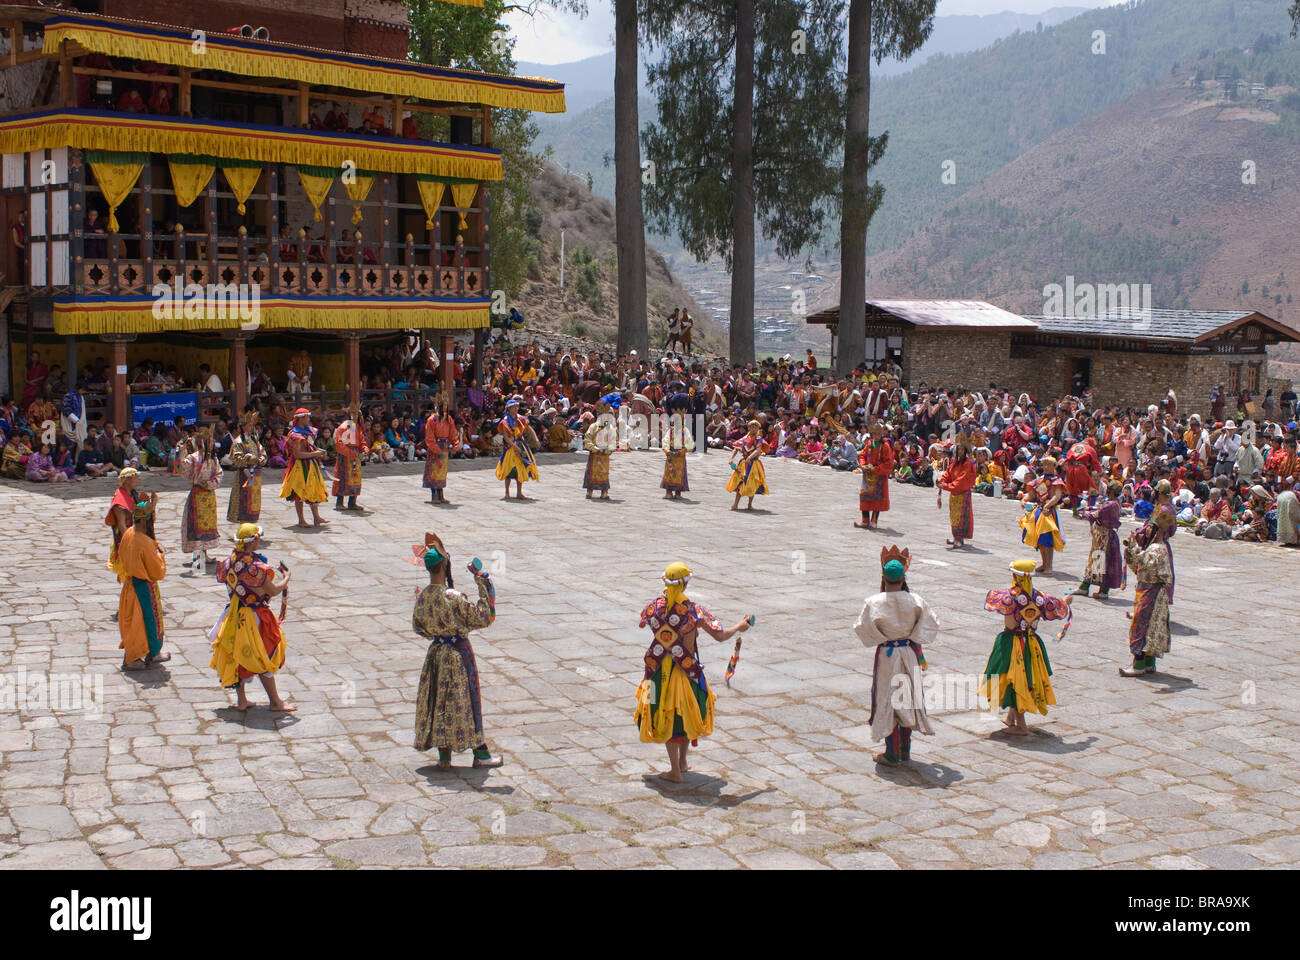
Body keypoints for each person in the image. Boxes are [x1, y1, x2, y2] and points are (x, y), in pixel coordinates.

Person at [633, 562, 751, 783]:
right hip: (687, 672)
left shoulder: (653, 608)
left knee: (664, 713)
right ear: (685, 584)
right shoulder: (694, 611)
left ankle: (679, 766)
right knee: (684, 713)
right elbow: (720, 635)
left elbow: (643, 621)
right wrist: (739, 627)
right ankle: (679, 768)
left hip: (658, 672)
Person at [412, 533, 503, 770]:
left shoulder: (423, 596)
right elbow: (485, 617)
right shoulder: (453, 597)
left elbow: (418, 627)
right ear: (444, 565)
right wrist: (484, 583)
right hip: (459, 654)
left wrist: (438, 634)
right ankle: (480, 754)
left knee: (440, 701)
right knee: (467, 701)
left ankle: (444, 757)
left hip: (436, 654)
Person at [855, 545, 939, 766]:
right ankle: (904, 750)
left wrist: (882, 636)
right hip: (908, 653)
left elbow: (862, 629)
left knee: (888, 699)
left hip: (887, 655)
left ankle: (891, 753)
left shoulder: (873, 602)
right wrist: (912, 635)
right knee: (906, 697)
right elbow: (931, 624)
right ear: (904, 577)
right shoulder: (916, 601)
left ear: (883, 577)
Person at [979, 560, 1072, 735]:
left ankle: (1021, 726)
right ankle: (1010, 718)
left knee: (1015, 679)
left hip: (1012, 642)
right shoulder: (1040, 597)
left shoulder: (1010, 597)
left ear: (1015, 576)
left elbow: (1008, 620)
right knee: (1022, 677)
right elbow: (1060, 604)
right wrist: (1066, 600)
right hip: (1031, 642)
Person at [209, 523, 296, 712]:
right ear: (254, 540)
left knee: (237, 654)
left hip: (233, 613)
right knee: (263, 654)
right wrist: (286, 579)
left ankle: (242, 700)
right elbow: (271, 591)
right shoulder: (255, 568)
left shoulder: (229, 562)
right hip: (254, 616)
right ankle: (275, 702)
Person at [117, 493, 169, 671]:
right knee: (142, 624)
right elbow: (157, 571)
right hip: (143, 589)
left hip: (131, 585)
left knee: (135, 622)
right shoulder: (145, 542)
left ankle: (153, 652)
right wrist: (160, 557)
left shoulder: (129, 534)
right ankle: (133, 658)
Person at [1119, 521, 1173, 677]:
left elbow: (1145, 563)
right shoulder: (1153, 547)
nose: (1147, 529)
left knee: (1141, 626)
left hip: (1151, 591)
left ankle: (1139, 664)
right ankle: (1149, 662)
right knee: (1150, 627)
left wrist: (1134, 547)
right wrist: (1132, 548)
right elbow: (1138, 566)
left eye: (1150, 527)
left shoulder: (1158, 548)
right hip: (1146, 590)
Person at [279, 408, 330, 527]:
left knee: (314, 489)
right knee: (299, 492)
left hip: (311, 465)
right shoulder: (295, 435)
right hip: (300, 467)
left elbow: (311, 447)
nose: (309, 419)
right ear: (301, 418)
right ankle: (301, 520)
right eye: (307, 417)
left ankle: (316, 517)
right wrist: (315, 454)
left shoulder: (309, 432)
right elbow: (298, 454)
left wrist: (320, 451)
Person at [179, 430, 223, 568]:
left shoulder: (213, 458)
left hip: (209, 497)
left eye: (212, 441)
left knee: (207, 526)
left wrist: (211, 483)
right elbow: (184, 467)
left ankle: (205, 554)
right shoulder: (194, 458)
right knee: (196, 527)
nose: (211, 444)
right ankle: (198, 557)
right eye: (209, 441)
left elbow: (219, 473)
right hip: (197, 496)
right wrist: (181, 452)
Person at [1074, 480, 1124, 600]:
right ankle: (1101, 590)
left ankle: (1086, 587)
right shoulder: (1115, 503)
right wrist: (1089, 508)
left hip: (1104, 537)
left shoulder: (1110, 505)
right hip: (1107, 536)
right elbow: (1099, 509)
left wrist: (1083, 512)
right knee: (1104, 562)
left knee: (1098, 560)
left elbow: (1096, 514)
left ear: (1110, 491)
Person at [1018, 456, 1066, 573]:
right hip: (1039, 510)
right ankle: (1044, 563)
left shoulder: (1056, 481)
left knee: (1047, 538)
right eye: (1044, 464)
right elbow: (1031, 494)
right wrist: (1024, 500)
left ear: (1054, 467)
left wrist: (1048, 505)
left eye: (1049, 465)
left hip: (1049, 512)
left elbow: (1057, 496)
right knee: (1040, 539)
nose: (1046, 467)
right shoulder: (1039, 481)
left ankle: (1049, 565)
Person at [495, 396, 539, 500]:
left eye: (516, 407)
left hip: (520, 444)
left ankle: (519, 492)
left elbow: (529, 429)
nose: (516, 409)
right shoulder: (505, 421)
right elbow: (506, 437)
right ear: (509, 408)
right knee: (509, 469)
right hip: (510, 447)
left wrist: (536, 439)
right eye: (514, 407)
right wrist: (514, 447)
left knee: (520, 468)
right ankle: (507, 492)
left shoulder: (521, 419)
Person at [227, 410, 266, 524]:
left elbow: (262, 452)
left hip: (256, 475)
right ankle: (244, 521)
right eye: (249, 425)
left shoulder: (255, 440)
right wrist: (248, 458)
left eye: (252, 425)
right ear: (243, 427)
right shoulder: (238, 441)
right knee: (244, 500)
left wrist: (262, 459)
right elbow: (235, 458)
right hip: (244, 475)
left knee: (254, 499)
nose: (251, 427)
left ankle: (252, 520)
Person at [855, 420, 894, 529]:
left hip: (879, 475)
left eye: (878, 434)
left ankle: (874, 521)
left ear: (881, 434)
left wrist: (875, 469)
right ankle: (865, 520)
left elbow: (888, 463)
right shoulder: (869, 443)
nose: (876, 436)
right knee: (865, 496)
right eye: (874, 434)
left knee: (877, 498)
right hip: (868, 475)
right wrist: (863, 465)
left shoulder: (885, 446)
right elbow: (862, 455)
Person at [937, 442, 976, 548]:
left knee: (962, 517)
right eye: (959, 450)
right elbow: (948, 474)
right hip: (954, 494)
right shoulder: (955, 462)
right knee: (954, 516)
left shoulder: (968, 464)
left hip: (962, 494)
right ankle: (955, 537)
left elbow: (961, 481)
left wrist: (944, 486)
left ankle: (959, 539)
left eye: (962, 450)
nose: (960, 452)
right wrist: (942, 480)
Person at [726, 419, 770, 511]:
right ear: (748, 428)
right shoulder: (744, 438)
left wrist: (750, 457)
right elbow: (736, 448)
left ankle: (750, 504)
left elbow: (758, 450)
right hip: (743, 463)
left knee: (752, 483)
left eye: (755, 427)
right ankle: (735, 505)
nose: (753, 428)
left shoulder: (758, 439)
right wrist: (731, 458)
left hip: (754, 463)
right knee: (739, 482)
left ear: (758, 428)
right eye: (751, 427)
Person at [332, 403, 367, 512]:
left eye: (357, 413)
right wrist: (351, 453)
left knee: (355, 479)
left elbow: (361, 440)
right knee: (342, 478)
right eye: (353, 413)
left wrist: (365, 449)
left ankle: (352, 502)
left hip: (355, 456)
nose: (355, 415)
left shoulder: (357, 427)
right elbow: (339, 444)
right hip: (345, 456)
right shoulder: (343, 427)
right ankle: (339, 502)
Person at [422, 402, 460, 505]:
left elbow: (453, 434)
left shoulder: (449, 419)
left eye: (446, 407)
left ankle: (441, 495)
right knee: (434, 472)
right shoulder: (431, 420)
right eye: (442, 406)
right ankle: (434, 495)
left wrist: (455, 445)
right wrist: (436, 450)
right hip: (435, 448)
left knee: (442, 472)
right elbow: (429, 438)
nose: (444, 409)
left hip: (445, 447)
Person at [582, 400, 615, 500]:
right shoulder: (593, 426)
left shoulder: (610, 428)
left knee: (604, 473)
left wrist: (608, 450)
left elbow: (613, 441)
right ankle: (589, 492)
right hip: (595, 454)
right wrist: (594, 448)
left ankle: (604, 492)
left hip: (604, 455)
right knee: (591, 472)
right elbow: (587, 439)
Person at [661, 410, 693, 500]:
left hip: (680, 456)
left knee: (679, 474)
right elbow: (665, 441)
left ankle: (678, 493)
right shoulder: (670, 431)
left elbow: (689, 443)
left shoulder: (685, 431)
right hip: (670, 454)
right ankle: (669, 493)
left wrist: (682, 452)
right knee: (669, 474)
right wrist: (667, 451)